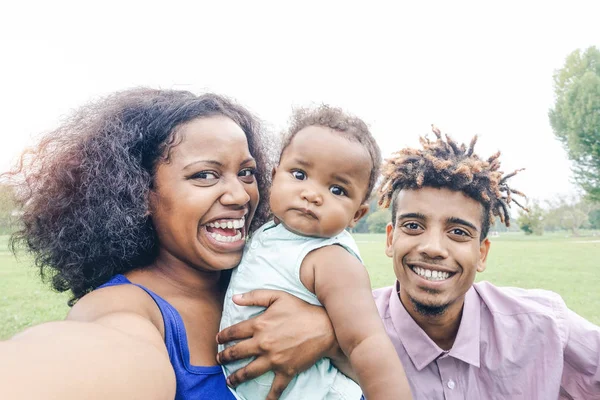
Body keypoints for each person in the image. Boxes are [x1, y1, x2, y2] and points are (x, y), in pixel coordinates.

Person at [0, 88, 345, 400]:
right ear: (138, 193)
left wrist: (332, 335)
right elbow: (72, 365)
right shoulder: (125, 311)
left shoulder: (281, 271)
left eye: (246, 172)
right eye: (204, 175)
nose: (241, 195)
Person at [372, 127, 600, 398]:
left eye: (458, 232)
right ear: (390, 239)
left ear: (482, 253)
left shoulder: (546, 326)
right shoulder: (344, 332)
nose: (433, 248)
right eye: (413, 225)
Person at [219, 106, 412, 399]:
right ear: (274, 176)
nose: (312, 194)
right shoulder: (266, 234)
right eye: (299, 174)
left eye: (337, 190)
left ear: (356, 215)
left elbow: (367, 343)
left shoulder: (331, 259)